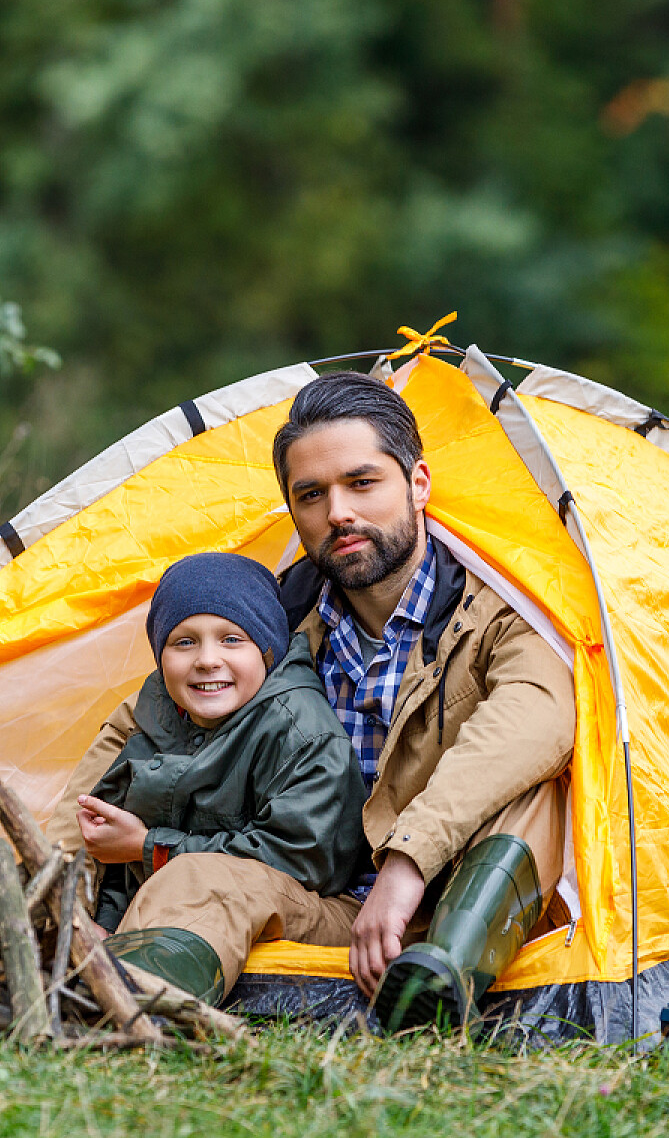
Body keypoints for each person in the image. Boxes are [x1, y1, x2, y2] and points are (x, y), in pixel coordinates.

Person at [271, 372, 575, 1030]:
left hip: (467, 894)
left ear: (418, 484)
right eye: (311, 495)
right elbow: (153, 723)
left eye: (362, 483)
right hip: (329, 901)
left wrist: (408, 860)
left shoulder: (503, 601)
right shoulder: (273, 624)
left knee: (535, 787)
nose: (338, 514)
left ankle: (438, 985)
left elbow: (539, 712)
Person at [43, 552, 368, 1005]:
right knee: (46, 875)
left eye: (232, 639)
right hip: (153, 909)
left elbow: (305, 859)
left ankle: (135, 1001)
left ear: (267, 649)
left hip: (307, 906)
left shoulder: (300, 730)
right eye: (184, 643)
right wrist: (73, 915)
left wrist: (149, 846)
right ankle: (88, 960)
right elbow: (76, 821)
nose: (207, 660)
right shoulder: (152, 708)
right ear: (160, 654)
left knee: (198, 878)